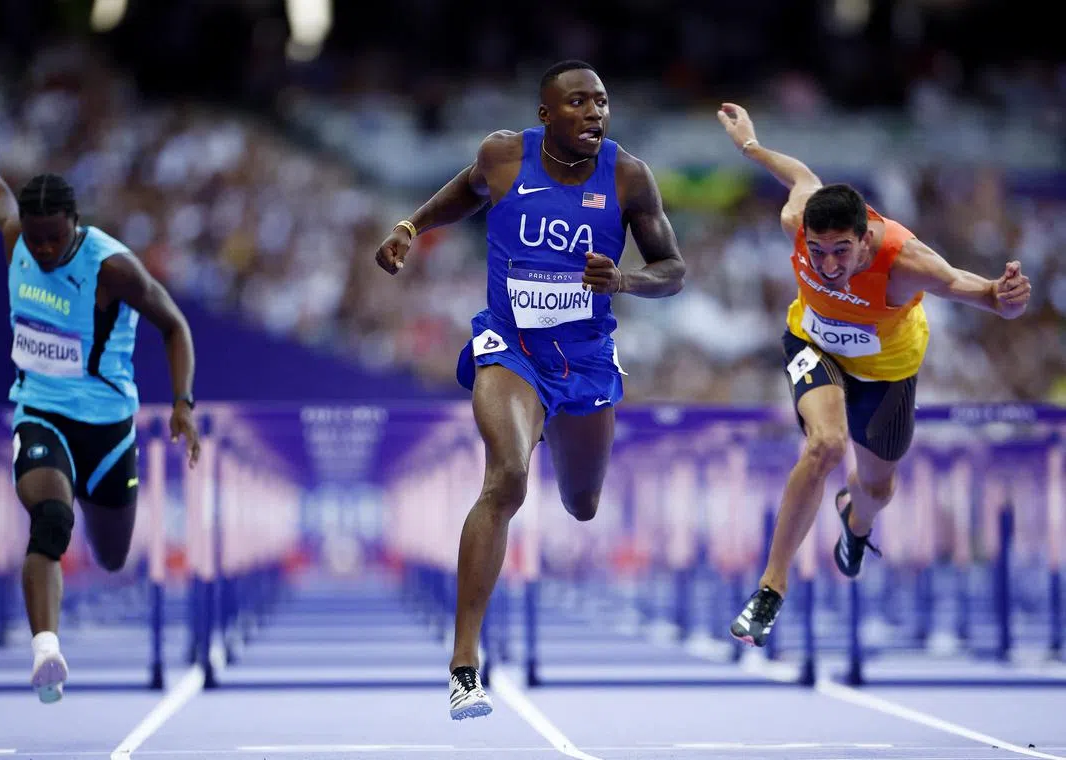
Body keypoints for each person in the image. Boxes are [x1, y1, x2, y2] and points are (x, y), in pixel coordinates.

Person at [374, 60, 685, 719]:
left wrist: (626, 281)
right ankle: (464, 665)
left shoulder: (628, 176)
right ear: (547, 114)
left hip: (587, 359)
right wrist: (410, 227)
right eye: (578, 103)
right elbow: (465, 191)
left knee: (583, 503)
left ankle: (554, 431)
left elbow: (673, 269)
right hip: (511, 346)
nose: (595, 113)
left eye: (601, 101)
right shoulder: (504, 155)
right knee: (507, 478)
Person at [715, 103, 1032, 647]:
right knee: (825, 447)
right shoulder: (798, 221)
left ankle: (855, 522)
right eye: (818, 251)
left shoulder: (907, 262)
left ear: (866, 238)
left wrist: (1005, 299)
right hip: (815, 347)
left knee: (877, 488)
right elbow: (799, 177)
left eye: (842, 251)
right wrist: (749, 145)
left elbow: (978, 292)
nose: (828, 264)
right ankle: (771, 587)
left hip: (888, 376)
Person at [0, 83, 201, 703]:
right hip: (41, 414)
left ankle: (92, 508)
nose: (44, 250)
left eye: (55, 238)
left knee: (112, 557)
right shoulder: (17, 241)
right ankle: (46, 652)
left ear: (74, 225)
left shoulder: (113, 269)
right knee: (52, 519)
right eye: (35, 239)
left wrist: (183, 404)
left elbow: (174, 325)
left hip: (109, 431)